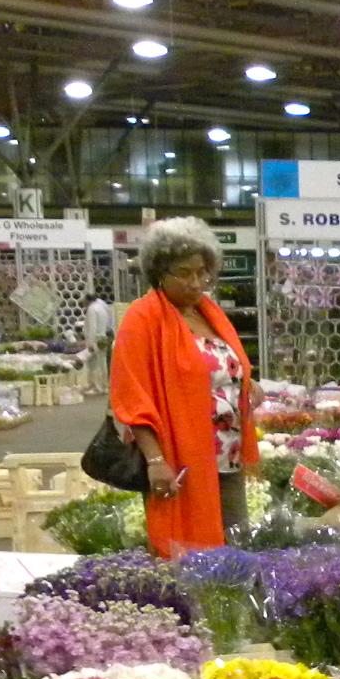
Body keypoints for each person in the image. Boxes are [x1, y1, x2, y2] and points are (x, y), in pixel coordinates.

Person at [109, 216, 257, 556]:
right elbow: (132, 397)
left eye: (203, 272)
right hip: (181, 461)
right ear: (160, 272)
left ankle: (232, 608)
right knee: (188, 552)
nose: (196, 282)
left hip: (226, 455)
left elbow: (224, 368)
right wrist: (155, 460)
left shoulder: (209, 313)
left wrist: (246, 384)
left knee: (237, 549)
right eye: (185, 273)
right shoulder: (141, 318)